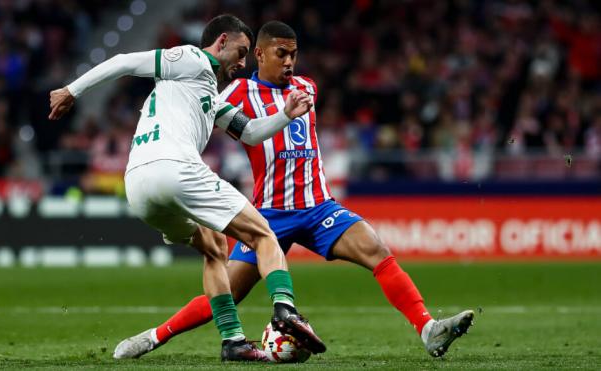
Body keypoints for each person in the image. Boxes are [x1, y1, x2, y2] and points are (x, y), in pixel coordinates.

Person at [116, 20, 475, 360]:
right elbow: (200, 116)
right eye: (281, 54)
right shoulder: (235, 92)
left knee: (376, 249)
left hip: (319, 207)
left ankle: (428, 329)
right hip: (269, 214)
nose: (289, 62)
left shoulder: (308, 88)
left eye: (294, 55)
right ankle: (155, 336)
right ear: (259, 55)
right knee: (228, 290)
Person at [48, 15, 326, 361]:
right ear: (220, 42)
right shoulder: (190, 59)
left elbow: (251, 133)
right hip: (176, 169)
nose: (242, 64)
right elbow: (123, 61)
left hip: (139, 186)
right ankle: (285, 310)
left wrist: (285, 114)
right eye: (240, 53)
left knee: (213, 247)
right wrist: (70, 90)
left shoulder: (208, 92)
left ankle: (233, 341)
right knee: (264, 235)